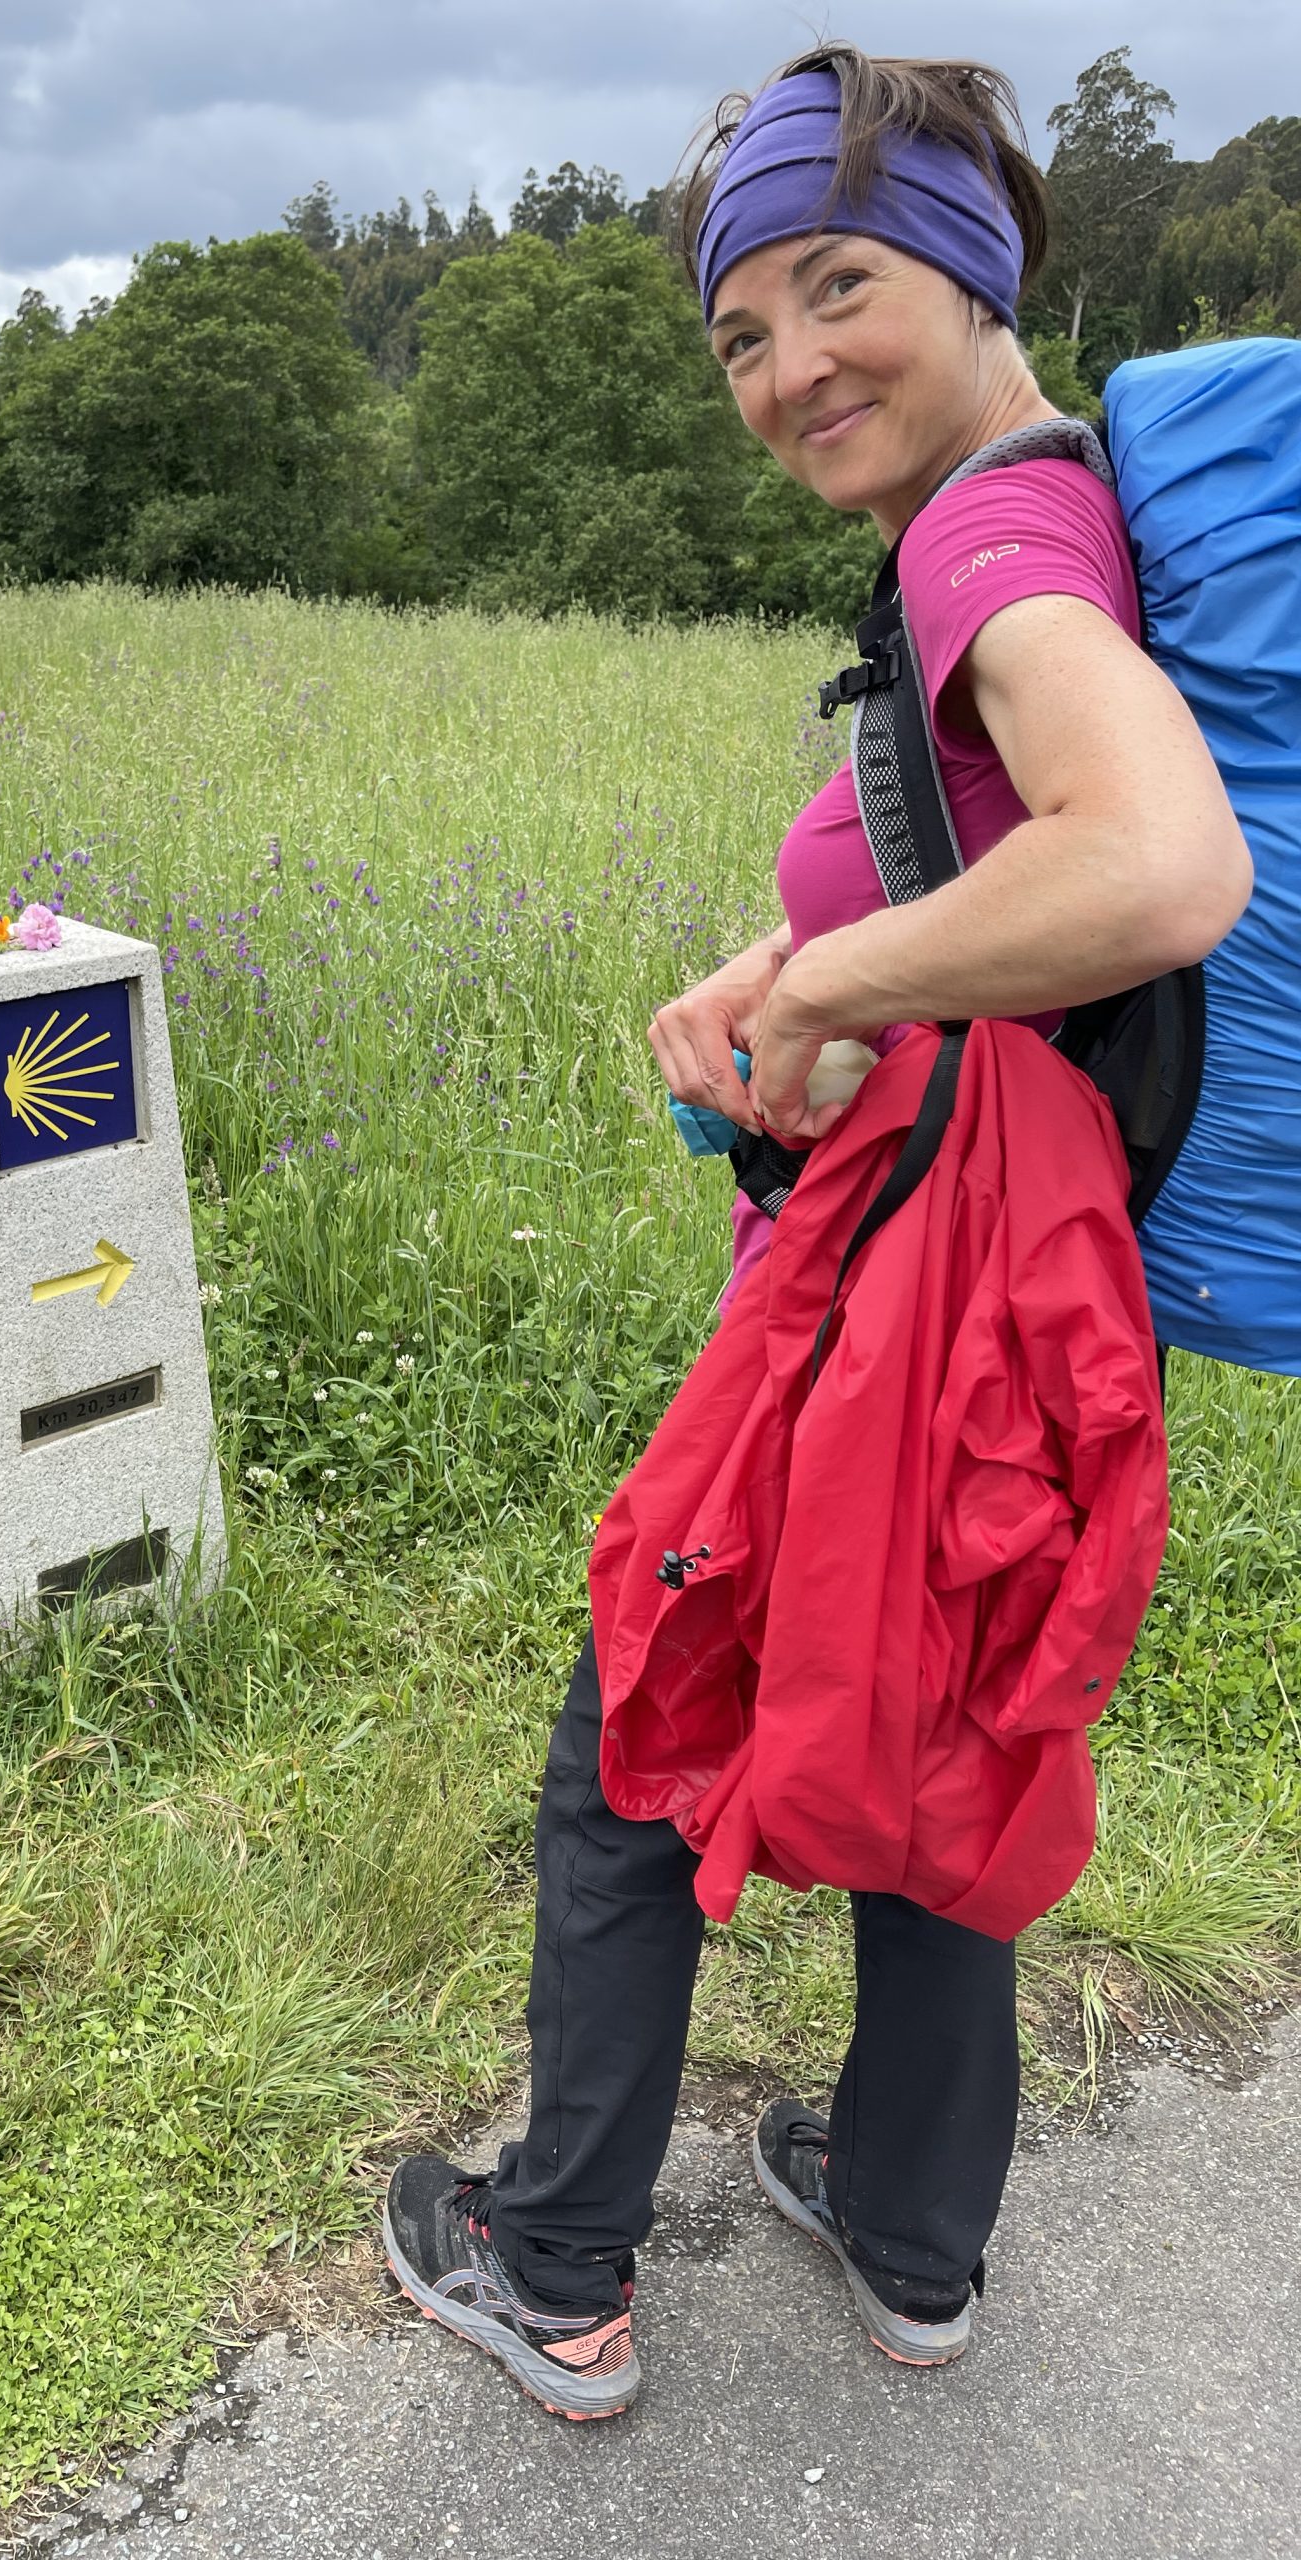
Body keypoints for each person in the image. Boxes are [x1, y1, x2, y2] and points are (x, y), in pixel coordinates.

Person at [382, 44, 1252, 2424]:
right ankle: (909, 2238)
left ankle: (551, 2259)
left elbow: (1163, 859)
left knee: (648, 1719)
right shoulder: (1063, 509)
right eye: (740, 331)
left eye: (836, 285)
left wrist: (825, 975)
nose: (784, 369)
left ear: (973, 277)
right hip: (1041, 1303)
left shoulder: (989, 535)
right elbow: (1046, 921)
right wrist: (836, 981)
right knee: (943, 1721)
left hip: (901, 1309)